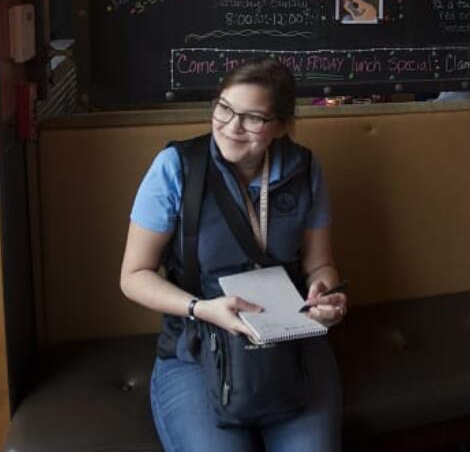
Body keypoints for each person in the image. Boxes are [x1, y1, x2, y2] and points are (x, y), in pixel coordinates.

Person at [120, 58, 346, 451]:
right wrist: (200, 308)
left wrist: (323, 292)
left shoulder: (305, 169)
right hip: (195, 346)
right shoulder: (176, 168)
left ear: (279, 125)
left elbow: (319, 264)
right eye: (224, 108)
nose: (231, 126)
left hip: (288, 344)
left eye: (253, 118)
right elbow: (134, 275)